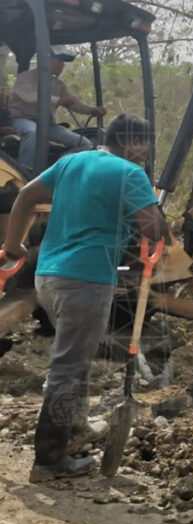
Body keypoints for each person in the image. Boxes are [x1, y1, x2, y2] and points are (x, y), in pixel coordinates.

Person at [2, 113, 168, 482]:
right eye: (144, 144)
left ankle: (74, 427)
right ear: (132, 142)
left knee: (71, 358)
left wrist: (13, 244)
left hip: (48, 276)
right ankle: (49, 459)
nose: (145, 153)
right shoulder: (130, 175)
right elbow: (153, 229)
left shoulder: (71, 162)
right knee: (68, 367)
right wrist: (155, 213)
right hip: (86, 279)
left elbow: (26, 196)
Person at [7, 46, 106, 171]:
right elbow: (29, 95)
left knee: (84, 143)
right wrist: (57, 100)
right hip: (21, 120)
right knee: (32, 131)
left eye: (63, 62)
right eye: (59, 61)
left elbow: (74, 102)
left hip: (47, 125)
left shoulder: (58, 85)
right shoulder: (25, 78)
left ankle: (59, 169)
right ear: (46, 60)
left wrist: (92, 110)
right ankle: (25, 170)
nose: (62, 65)